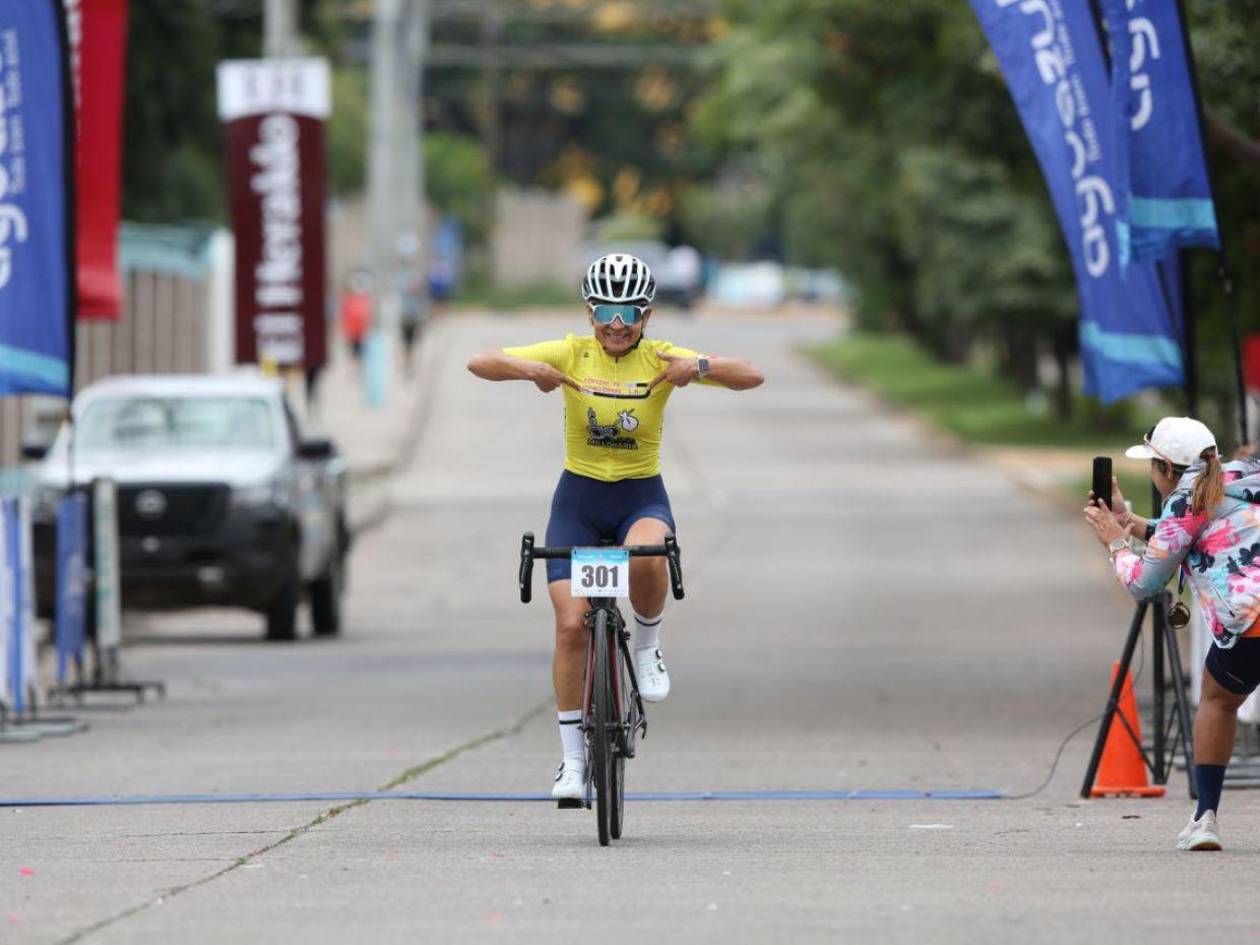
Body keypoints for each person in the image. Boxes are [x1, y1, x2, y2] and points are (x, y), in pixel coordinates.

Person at [466, 253, 764, 802]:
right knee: (572, 625)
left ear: (647, 314)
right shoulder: (570, 352)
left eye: (629, 309)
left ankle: (648, 645)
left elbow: (751, 375)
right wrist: (528, 369)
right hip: (578, 500)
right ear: (589, 312)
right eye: (606, 309)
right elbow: (479, 361)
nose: (617, 323)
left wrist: (694, 369)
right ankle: (572, 763)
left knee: (648, 551)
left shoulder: (661, 355)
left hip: (639, 497)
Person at [1084, 416, 1260, 851]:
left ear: (1167, 468)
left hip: (1250, 623)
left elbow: (1144, 583)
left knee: (1218, 701)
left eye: (1153, 465)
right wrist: (1128, 520)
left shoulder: (1185, 503)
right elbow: (1189, 534)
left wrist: (1115, 542)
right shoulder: (1241, 476)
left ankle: (1205, 819)